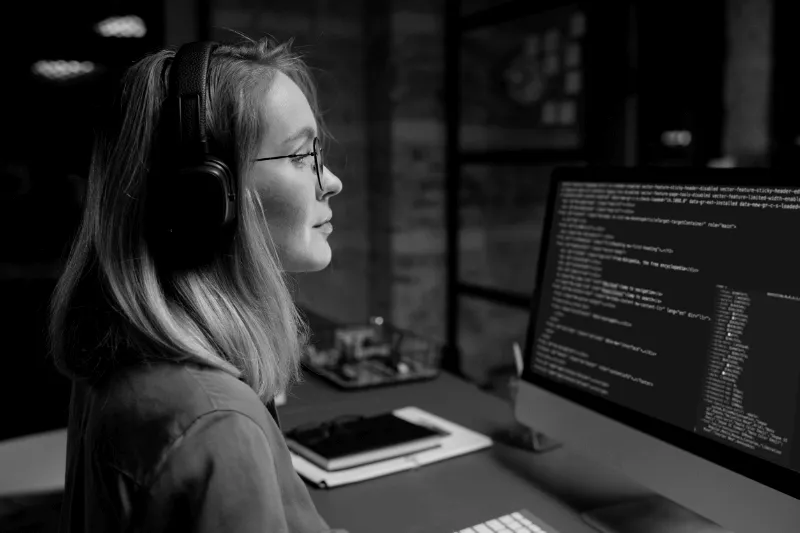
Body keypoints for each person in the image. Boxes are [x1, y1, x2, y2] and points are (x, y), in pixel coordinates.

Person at [49, 35, 345, 532]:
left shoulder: (120, 349)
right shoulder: (215, 425)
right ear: (205, 195)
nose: (330, 179)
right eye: (300, 156)